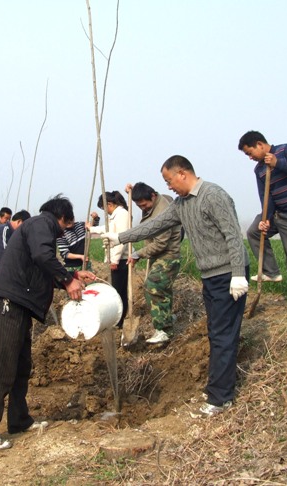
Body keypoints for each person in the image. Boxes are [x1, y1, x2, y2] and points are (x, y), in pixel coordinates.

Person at [98, 156, 249, 417]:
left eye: (169, 181)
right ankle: (217, 387)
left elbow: (233, 234)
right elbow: (154, 225)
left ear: (182, 174)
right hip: (210, 275)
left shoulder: (213, 195)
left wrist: (238, 273)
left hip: (228, 274)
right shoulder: (181, 204)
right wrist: (119, 237)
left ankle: (221, 398)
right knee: (215, 332)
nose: (168, 187)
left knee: (224, 334)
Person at [0, 195, 96, 451]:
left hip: (19, 306)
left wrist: (71, 275)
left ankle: (19, 420)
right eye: (66, 226)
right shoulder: (42, 224)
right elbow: (42, 256)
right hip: (8, 305)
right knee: (1, 370)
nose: (65, 232)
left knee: (21, 367)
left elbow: (40, 269)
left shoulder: (38, 228)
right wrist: (68, 280)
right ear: (62, 217)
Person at [238, 131, 287, 312]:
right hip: (278, 213)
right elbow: (266, 197)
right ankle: (270, 272)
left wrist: (278, 163)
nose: (250, 158)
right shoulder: (259, 170)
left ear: (259, 144)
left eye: (250, 153)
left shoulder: (285, 150)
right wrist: (266, 219)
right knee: (254, 232)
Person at [125, 182, 181, 344]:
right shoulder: (155, 203)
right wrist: (131, 192)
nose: (143, 208)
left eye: (144, 205)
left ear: (153, 196)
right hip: (159, 255)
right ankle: (167, 318)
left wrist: (138, 254)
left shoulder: (162, 211)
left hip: (168, 255)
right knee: (163, 289)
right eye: (139, 206)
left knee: (153, 287)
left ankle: (163, 330)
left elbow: (160, 243)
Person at [88, 191, 130, 328]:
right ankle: (118, 319)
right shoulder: (116, 216)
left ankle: (120, 320)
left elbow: (122, 239)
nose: (105, 212)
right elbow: (107, 229)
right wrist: (91, 229)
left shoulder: (122, 214)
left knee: (119, 291)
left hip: (121, 260)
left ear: (110, 204)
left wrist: (115, 260)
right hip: (116, 259)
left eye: (104, 208)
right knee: (117, 290)